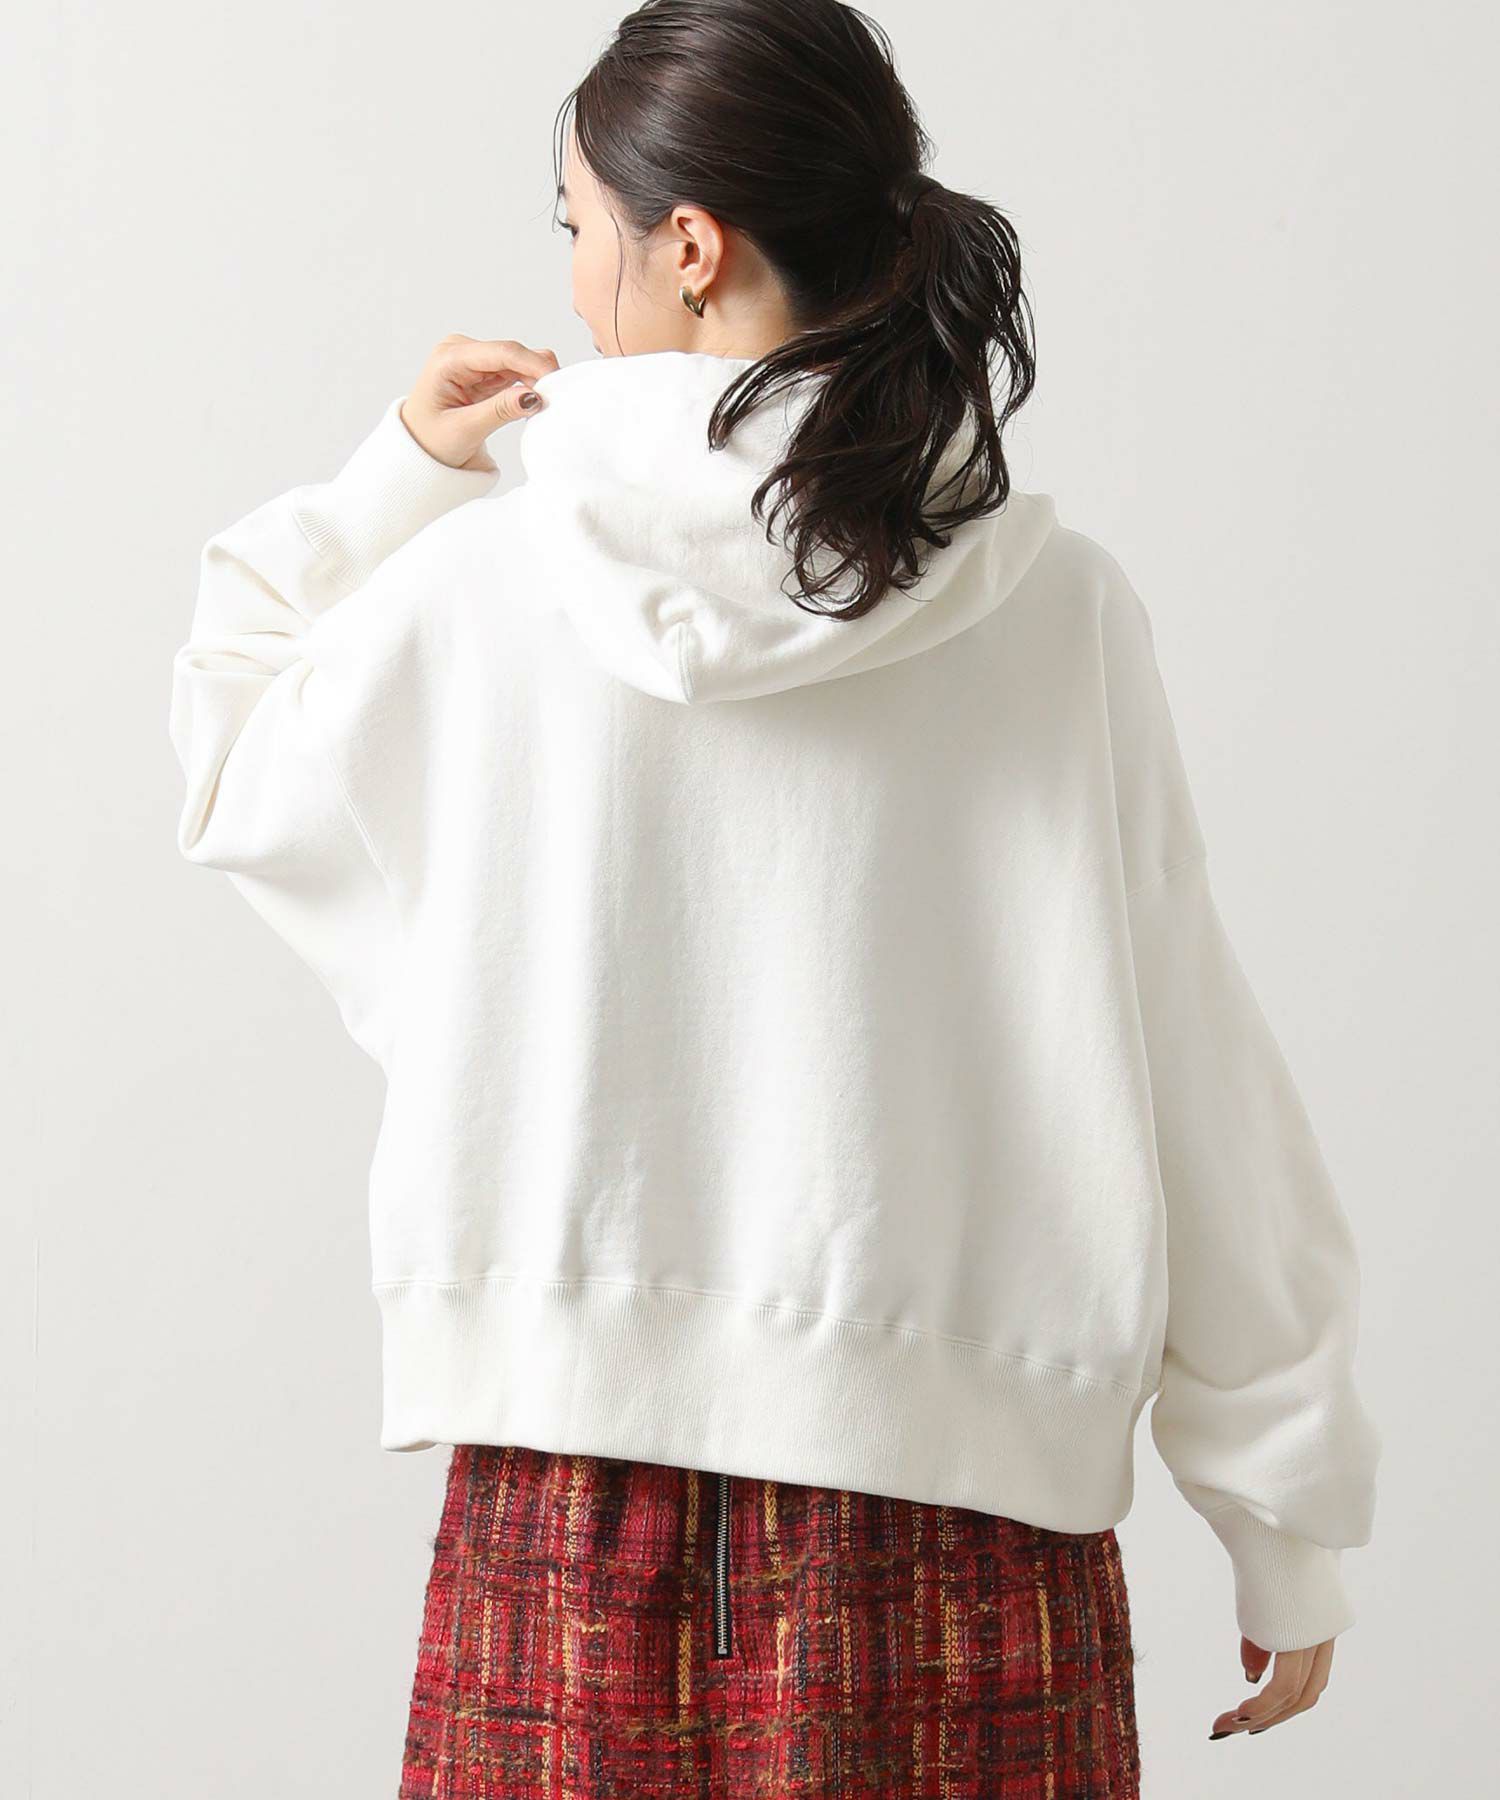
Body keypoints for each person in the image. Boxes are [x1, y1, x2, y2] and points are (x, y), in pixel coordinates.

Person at [167, 2, 1381, 1793]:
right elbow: (1189, 1061)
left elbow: (233, 747)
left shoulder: (482, 589)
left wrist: (399, 475)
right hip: (969, 1539)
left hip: (568, 1506)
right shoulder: (1054, 612)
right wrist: (1282, 1514)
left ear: (688, 243)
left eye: (576, 223)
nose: (571, 280)